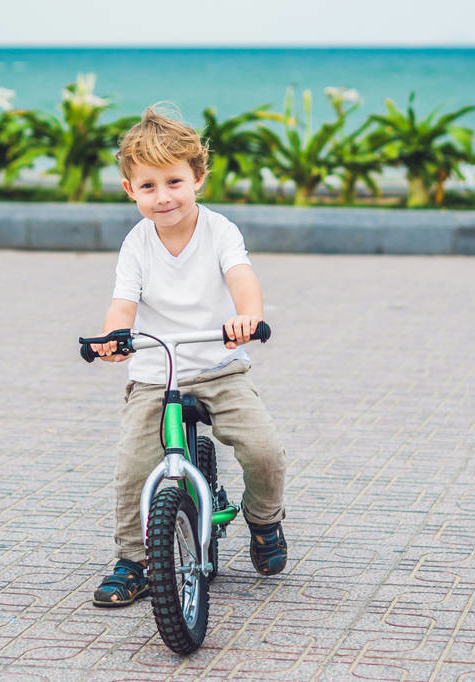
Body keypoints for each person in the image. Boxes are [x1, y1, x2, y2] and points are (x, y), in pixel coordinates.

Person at [88, 106, 288, 607]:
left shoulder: (219, 231)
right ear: (129, 190)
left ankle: (264, 521)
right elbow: (123, 302)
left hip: (220, 366)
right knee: (133, 468)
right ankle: (133, 561)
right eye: (148, 186)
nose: (164, 197)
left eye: (174, 182)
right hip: (158, 373)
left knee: (264, 450)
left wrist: (247, 316)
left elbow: (242, 277)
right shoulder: (136, 245)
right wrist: (115, 336)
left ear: (197, 178)